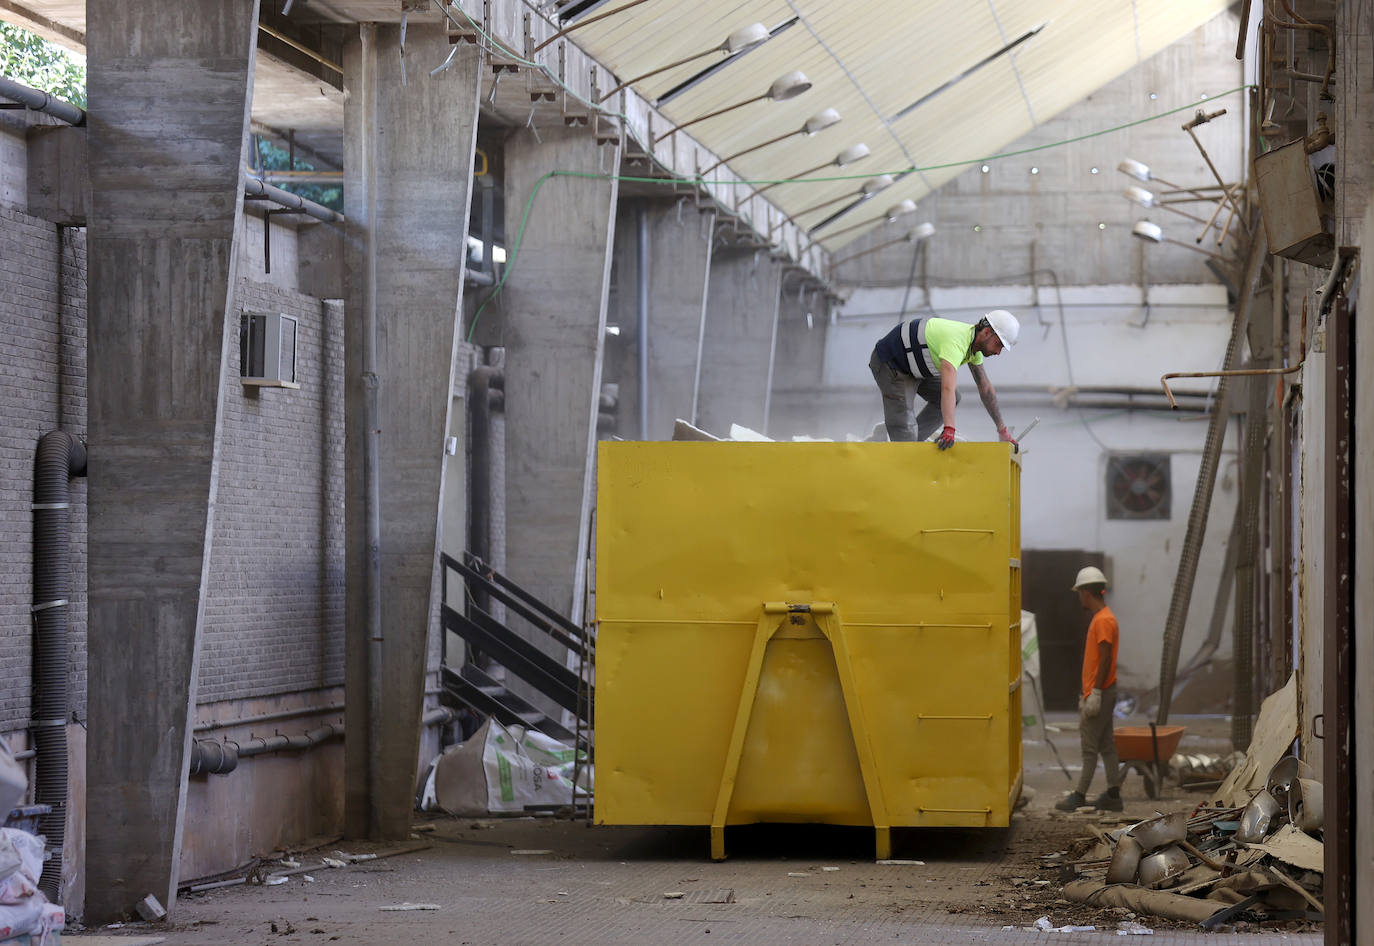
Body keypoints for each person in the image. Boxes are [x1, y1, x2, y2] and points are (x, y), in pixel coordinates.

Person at [867, 310, 1020, 448]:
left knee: (953, 399)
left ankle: (911, 443)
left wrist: (1002, 430)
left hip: (916, 364)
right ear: (986, 333)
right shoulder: (956, 342)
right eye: (999, 344)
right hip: (891, 363)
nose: (999, 352)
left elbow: (985, 389)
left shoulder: (974, 348)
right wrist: (949, 429)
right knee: (904, 433)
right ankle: (897, 443)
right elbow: (947, 387)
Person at [1054, 566, 1124, 812]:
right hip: (1106, 689)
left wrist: (1095, 692)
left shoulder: (1103, 620)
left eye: (1079, 592)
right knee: (1107, 745)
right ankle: (1114, 794)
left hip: (1101, 691)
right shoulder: (1104, 618)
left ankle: (1079, 794)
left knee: (1089, 747)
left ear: (1086, 592)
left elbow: (1104, 659)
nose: (1079, 597)